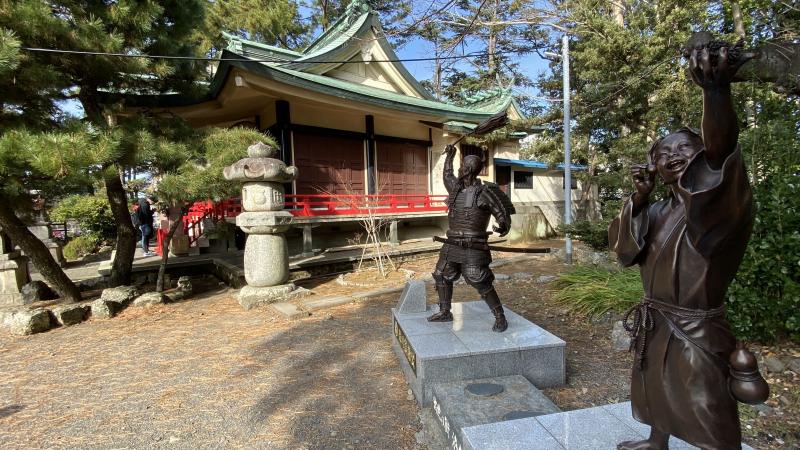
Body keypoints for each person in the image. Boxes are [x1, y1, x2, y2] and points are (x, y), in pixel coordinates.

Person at [609, 44, 755, 449]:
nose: (671, 157)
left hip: (697, 325)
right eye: (663, 153)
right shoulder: (655, 209)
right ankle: (657, 442)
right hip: (657, 319)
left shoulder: (713, 205)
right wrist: (636, 201)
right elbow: (624, 252)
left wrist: (715, 93)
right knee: (654, 387)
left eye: (683, 149)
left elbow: (723, 150)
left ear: (702, 156)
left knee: (708, 404)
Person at [427, 144, 515, 332]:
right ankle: (445, 311)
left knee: (478, 279)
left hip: (473, 246)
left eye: (461, 167)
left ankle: (500, 316)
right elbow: (447, 175)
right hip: (452, 244)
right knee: (441, 274)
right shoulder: (456, 189)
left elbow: (500, 211)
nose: (458, 170)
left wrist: (503, 223)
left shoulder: (484, 192)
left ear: (466, 171)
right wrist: (450, 155)